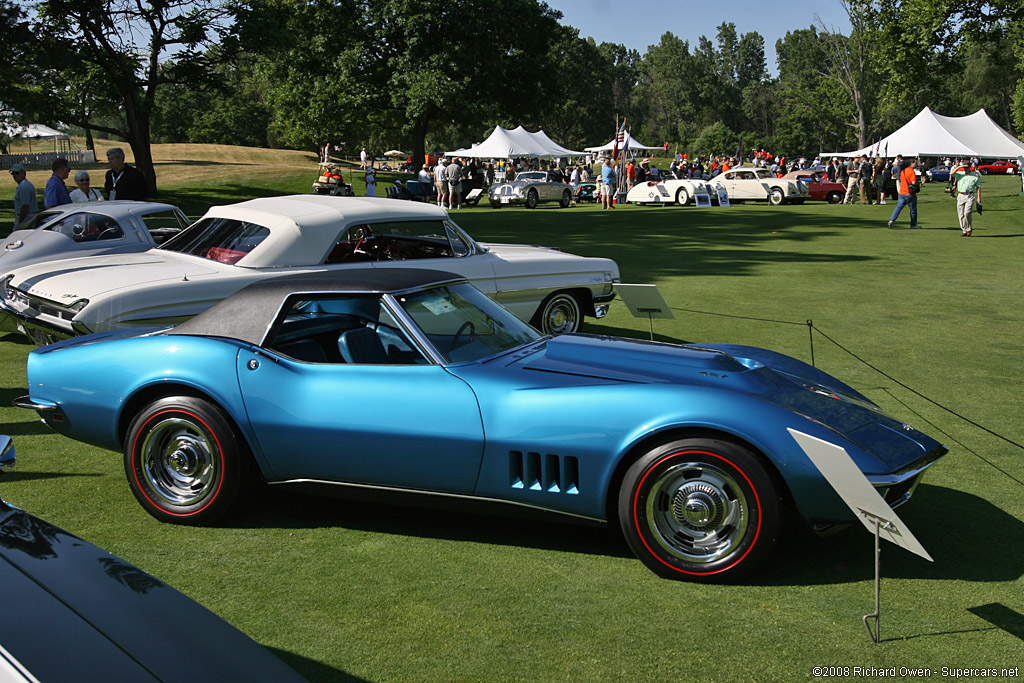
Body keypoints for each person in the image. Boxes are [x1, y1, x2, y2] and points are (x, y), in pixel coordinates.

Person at [888, 158, 920, 229]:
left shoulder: (903, 171)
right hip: (909, 193)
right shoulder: (911, 171)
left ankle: (891, 220)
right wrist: (918, 184)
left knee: (898, 207)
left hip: (902, 192)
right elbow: (913, 182)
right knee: (913, 209)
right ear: (911, 163)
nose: (916, 164)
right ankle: (913, 224)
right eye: (915, 163)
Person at [952, 163, 982, 236]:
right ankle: (964, 230)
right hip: (961, 195)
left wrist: (979, 197)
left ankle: (969, 228)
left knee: (967, 213)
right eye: (964, 167)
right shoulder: (960, 174)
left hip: (970, 195)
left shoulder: (975, 175)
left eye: (966, 167)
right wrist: (959, 166)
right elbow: (951, 173)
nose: (965, 169)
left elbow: (978, 187)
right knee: (961, 214)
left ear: (970, 167)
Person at [10, 163, 37, 230]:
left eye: (17, 173)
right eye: (13, 173)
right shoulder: (25, 184)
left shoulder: (24, 186)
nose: (14, 175)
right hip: (28, 217)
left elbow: (25, 205)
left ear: (23, 173)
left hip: (26, 217)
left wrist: (20, 220)